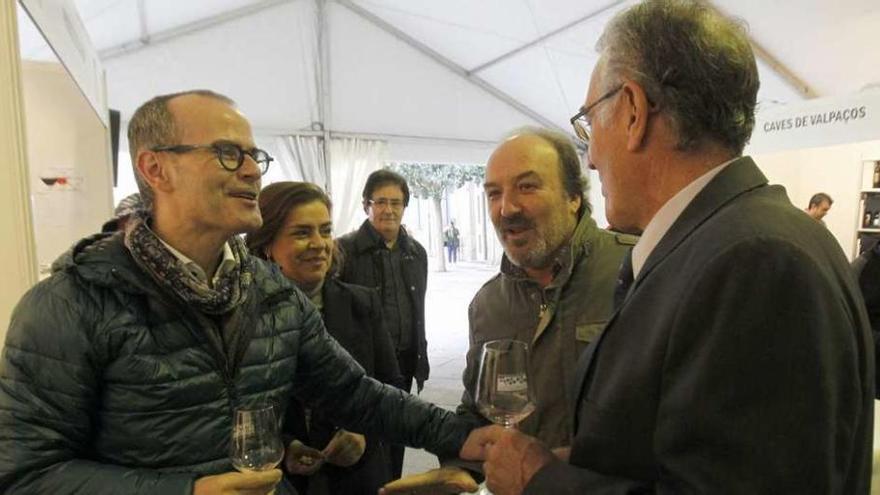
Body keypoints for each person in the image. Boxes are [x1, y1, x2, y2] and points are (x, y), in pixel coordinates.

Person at [459, 2, 874, 494]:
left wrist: (541, 479)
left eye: (590, 123)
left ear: (633, 111)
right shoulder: (729, 242)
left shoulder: (755, 262)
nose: (590, 158)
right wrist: (576, 464)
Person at [0, 89, 477, 495]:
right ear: (155, 168)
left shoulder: (269, 292)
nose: (252, 171)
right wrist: (185, 492)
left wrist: (468, 437)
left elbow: (356, 393)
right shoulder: (71, 303)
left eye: (255, 156)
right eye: (230, 153)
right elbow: (25, 472)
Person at [382, 128, 635, 494]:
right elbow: (479, 411)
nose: (507, 208)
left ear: (574, 197)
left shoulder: (636, 270)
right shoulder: (488, 305)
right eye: (494, 193)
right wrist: (464, 471)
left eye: (527, 187)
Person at [246, 181, 402, 495]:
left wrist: (364, 434)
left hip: (358, 480)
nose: (320, 243)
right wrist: (285, 447)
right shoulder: (243, 317)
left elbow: (392, 391)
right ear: (267, 245)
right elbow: (237, 413)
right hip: (280, 483)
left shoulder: (363, 304)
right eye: (302, 233)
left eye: (326, 230)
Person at [337, 169, 429, 478]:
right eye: (380, 202)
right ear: (366, 205)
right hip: (362, 368)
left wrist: (421, 360)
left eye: (396, 202)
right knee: (364, 451)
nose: (388, 209)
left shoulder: (417, 254)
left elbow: (419, 312)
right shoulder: (343, 251)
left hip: (403, 363)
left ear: (405, 207)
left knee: (396, 440)